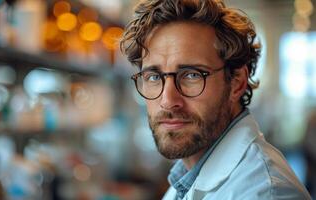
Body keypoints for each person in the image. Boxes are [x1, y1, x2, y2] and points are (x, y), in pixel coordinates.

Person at [120, 0, 311, 199]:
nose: (167, 100)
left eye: (192, 75)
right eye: (153, 77)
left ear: (236, 82)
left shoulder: (265, 193)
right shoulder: (186, 177)